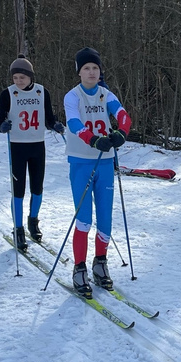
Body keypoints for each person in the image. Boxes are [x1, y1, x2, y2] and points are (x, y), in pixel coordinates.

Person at [62, 46, 131, 297]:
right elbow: (73, 123)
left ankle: (100, 263)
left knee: (105, 219)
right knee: (84, 219)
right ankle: (79, 268)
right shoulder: (73, 96)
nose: (91, 72)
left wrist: (121, 133)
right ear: (79, 72)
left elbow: (123, 116)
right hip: (81, 161)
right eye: (86, 68)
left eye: (95, 68)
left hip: (104, 162)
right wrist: (92, 140)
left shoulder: (106, 94)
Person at [0, 57, 64, 250]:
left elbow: (49, 119)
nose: (18, 81)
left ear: (30, 76)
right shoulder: (7, 94)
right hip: (17, 146)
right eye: (15, 77)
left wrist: (55, 125)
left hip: (37, 146)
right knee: (18, 190)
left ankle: (33, 221)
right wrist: (3, 127)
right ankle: (18, 229)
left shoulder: (43, 92)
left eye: (22, 77)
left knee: (37, 188)